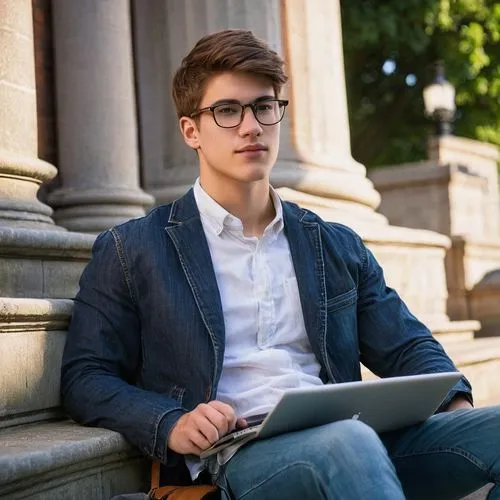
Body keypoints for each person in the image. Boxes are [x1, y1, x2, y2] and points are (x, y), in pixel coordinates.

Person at [61, 29, 500, 500]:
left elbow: (409, 345)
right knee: (347, 445)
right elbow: (86, 377)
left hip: (356, 437)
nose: (251, 126)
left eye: (264, 107)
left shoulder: (334, 245)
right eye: (227, 111)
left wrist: (455, 406)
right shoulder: (133, 249)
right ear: (192, 131)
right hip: (239, 460)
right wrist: (170, 421)